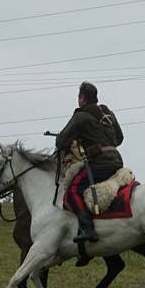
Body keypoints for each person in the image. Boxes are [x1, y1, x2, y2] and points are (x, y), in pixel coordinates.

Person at [56, 82, 124, 244]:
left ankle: (87, 229)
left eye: (79, 96)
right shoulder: (107, 113)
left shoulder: (81, 116)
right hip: (117, 160)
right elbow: (119, 139)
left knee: (72, 192)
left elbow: (61, 141)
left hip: (100, 164)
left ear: (82, 98)